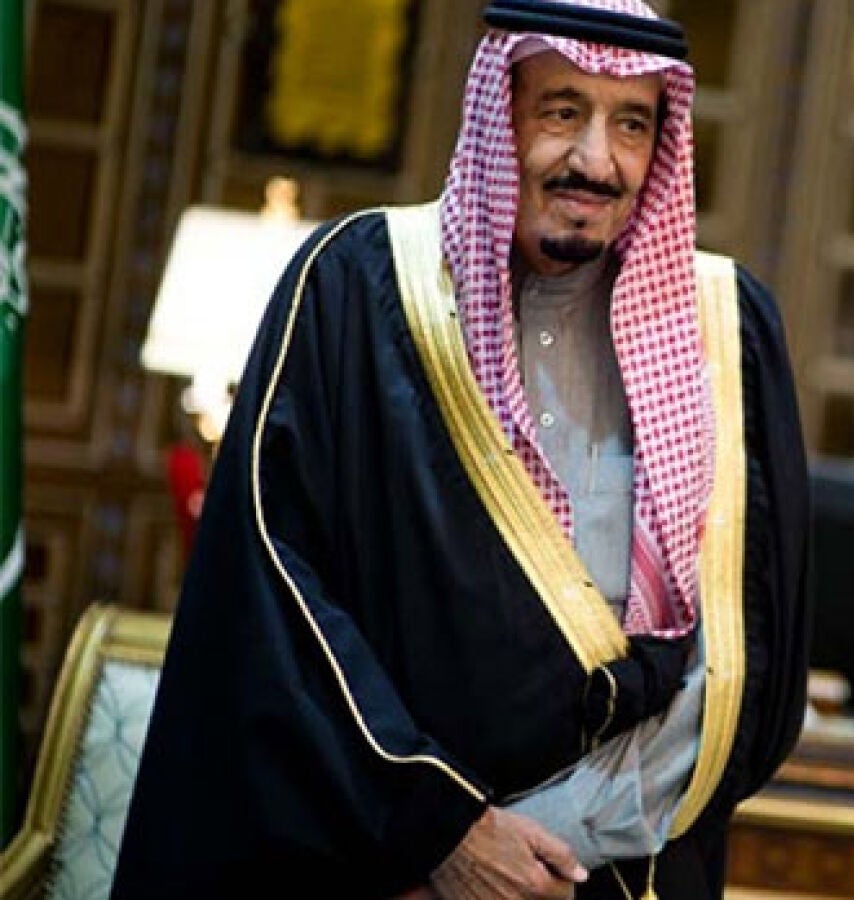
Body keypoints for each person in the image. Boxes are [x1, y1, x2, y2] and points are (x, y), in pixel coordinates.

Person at [111, 0, 811, 896]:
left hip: (615, 877)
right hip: (375, 869)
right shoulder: (356, 288)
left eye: (632, 124)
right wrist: (439, 834)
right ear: (499, 111)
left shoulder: (728, 329)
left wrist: (558, 847)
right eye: (562, 110)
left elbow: (751, 661)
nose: (596, 160)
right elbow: (273, 601)